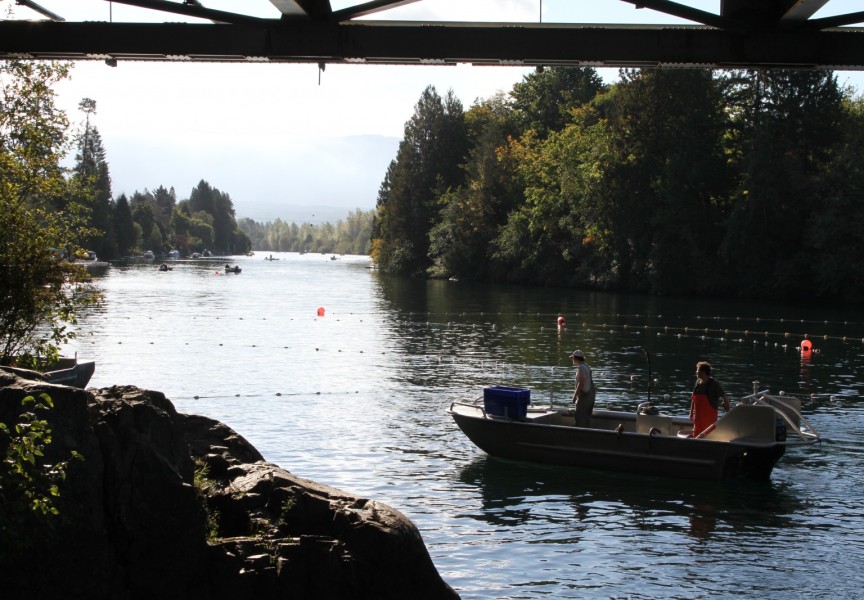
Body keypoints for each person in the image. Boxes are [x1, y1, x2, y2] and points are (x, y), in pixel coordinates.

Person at [690, 361, 730, 437]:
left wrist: (728, 410)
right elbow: (693, 399)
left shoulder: (713, 384)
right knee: (696, 436)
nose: (696, 372)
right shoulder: (697, 383)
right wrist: (691, 413)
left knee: (708, 436)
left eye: (697, 370)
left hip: (708, 420)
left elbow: (724, 397)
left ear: (703, 372)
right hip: (698, 420)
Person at [570, 350, 595, 427]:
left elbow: (581, 383)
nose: (572, 359)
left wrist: (575, 396)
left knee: (579, 417)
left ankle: (579, 435)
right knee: (587, 417)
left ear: (575, 358)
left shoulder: (581, 367)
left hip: (584, 396)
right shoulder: (587, 366)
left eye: (572, 358)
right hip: (591, 396)